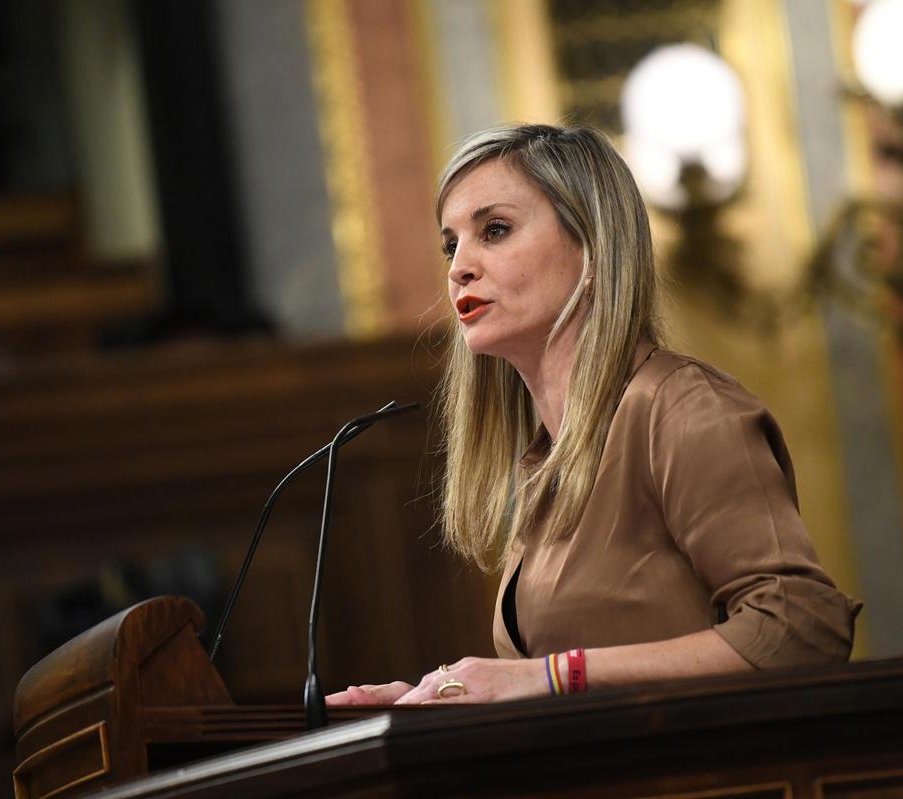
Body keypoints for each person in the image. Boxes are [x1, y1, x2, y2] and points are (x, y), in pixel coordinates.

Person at [327, 123, 861, 707]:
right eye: (451, 245)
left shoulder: (679, 407)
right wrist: (442, 705)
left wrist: (550, 676)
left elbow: (801, 628)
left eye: (495, 230)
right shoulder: (545, 460)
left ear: (593, 244)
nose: (459, 267)